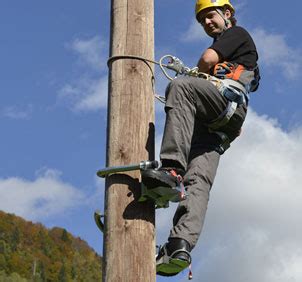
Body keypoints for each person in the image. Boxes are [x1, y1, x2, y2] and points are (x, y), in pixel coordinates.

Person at [142, 0, 260, 277]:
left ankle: (171, 168)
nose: (207, 22)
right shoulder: (237, 48)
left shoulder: (237, 33)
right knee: (199, 181)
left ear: (227, 13)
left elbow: (207, 60)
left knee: (181, 87)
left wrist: (197, 75)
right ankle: (179, 244)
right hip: (221, 120)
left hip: (223, 105)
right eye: (202, 19)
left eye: (210, 15)